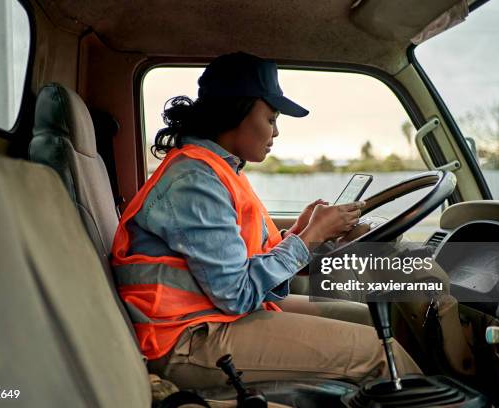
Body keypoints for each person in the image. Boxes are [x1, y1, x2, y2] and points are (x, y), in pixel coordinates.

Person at [111, 51, 421, 388]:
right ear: (238, 113)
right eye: (271, 118)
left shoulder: (219, 169)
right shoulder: (195, 180)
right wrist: (309, 237)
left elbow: (244, 264)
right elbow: (237, 293)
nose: (276, 132)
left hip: (213, 316)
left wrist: (305, 233)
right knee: (380, 355)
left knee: (370, 320)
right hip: (185, 339)